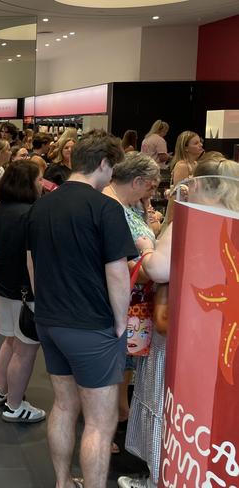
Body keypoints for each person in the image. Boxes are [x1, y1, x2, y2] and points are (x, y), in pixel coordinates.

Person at [119, 157, 239, 488]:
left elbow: (159, 269)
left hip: (178, 330)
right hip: (217, 338)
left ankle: (161, 476)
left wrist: (145, 249)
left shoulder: (193, 222)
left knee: (166, 403)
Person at [26, 130, 136, 488]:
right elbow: (117, 272)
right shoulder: (106, 208)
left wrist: (43, 301)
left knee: (63, 405)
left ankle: (62, 482)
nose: (111, 175)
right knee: (100, 425)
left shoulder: (41, 205)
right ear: (103, 163)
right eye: (112, 167)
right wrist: (121, 323)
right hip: (91, 326)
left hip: (50, 320)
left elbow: (32, 262)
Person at [101, 152, 161, 451]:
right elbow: (115, 262)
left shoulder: (129, 206)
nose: (153, 193)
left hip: (133, 299)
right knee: (114, 365)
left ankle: (115, 417)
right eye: (150, 186)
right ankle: (106, 425)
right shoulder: (112, 208)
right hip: (121, 299)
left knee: (123, 364)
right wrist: (147, 262)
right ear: (136, 181)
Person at [0, 161, 46, 423]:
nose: (42, 183)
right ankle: (15, 404)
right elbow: (33, 260)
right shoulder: (33, 214)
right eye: (39, 178)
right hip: (25, 291)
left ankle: (1, 391)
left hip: (2, 287)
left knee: (9, 341)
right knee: (25, 349)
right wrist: (39, 294)